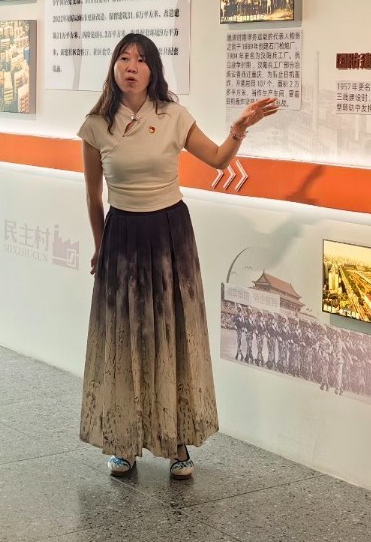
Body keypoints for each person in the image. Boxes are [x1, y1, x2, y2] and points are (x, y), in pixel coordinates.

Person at [78, 33, 277, 478]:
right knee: (126, 337)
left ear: (153, 70)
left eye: (140, 59)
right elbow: (93, 196)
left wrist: (239, 129)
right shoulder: (95, 125)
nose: (131, 66)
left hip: (169, 233)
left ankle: (177, 442)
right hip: (122, 234)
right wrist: (100, 245)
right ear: (114, 67)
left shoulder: (173, 115)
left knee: (172, 335)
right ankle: (124, 440)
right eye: (123, 58)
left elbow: (219, 159)